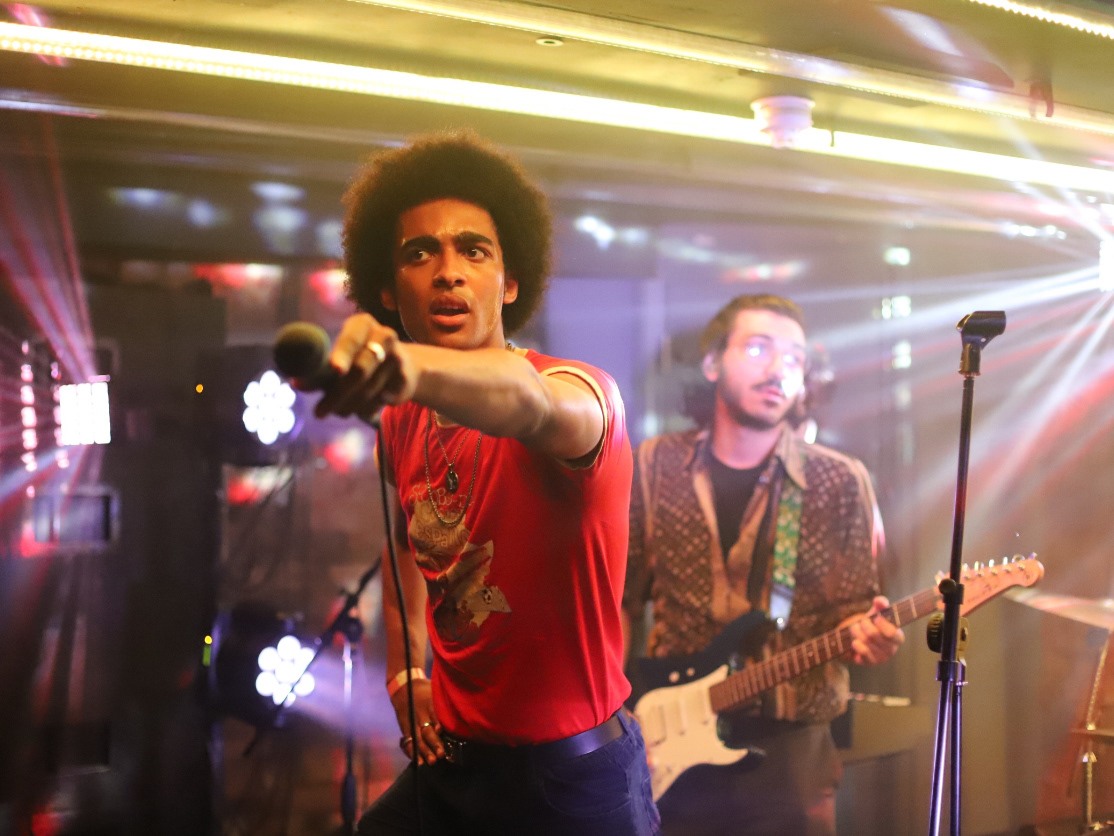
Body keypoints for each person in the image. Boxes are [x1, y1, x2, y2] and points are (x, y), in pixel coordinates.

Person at [308, 131, 658, 836]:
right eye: (420, 253)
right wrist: (406, 672)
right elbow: (405, 546)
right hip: (455, 772)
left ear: (510, 282)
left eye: (474, 251)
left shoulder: (581, 391)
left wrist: (405, 364)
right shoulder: (401, 420)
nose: (449, 272)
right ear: (387, 288)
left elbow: (527, 400)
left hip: (570, 787)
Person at [623, 294, 904, 836]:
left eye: (794, 358)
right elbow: (618, 601)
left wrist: (870, 637)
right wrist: (618, 714)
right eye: (758, 349)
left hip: (791, 758)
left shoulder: (839, 480)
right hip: (665, 742)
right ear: (712, 363)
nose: (779, 369)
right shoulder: (655, 465)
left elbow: (855, 610)